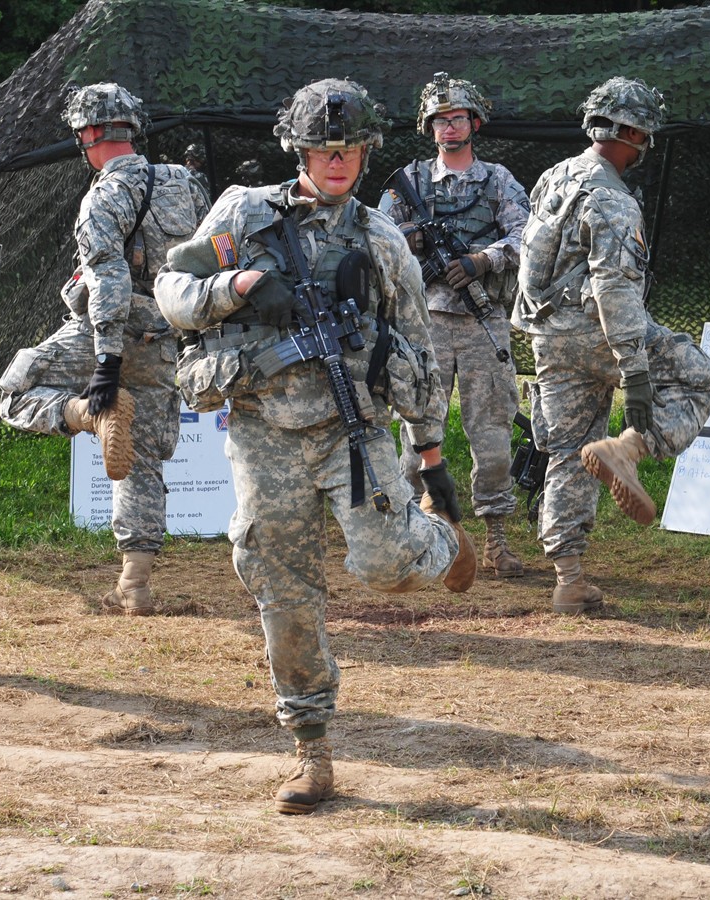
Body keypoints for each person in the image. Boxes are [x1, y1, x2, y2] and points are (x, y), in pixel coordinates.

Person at [155, 78, 477, 816]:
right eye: (325, 149)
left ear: (367, 151)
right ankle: (311, 747)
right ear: (299, 148)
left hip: (352, 429)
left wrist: (432, 465)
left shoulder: (380, 238)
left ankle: (434, 540)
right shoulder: (244, 212)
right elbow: (174, 287)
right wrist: (233, 286)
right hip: (264, 431)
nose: (338, 161)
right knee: (281, 590)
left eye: (351, 149)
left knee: (383, 561)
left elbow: (419, 358)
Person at [0, 82, 210, 616]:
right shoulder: (186, 182)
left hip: (110, 333)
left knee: (12, 392)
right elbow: (211, 259)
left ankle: (83, 416)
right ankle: (135, 584)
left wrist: (105, 362)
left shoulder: (104, 195)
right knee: (141, 459)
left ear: (89, 133)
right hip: (169, 332)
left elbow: (109, 277)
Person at [514, 77, 710, 614]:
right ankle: (629, 448)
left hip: (548, 336)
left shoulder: (556, 176)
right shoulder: (612, 198)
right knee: (701, 377)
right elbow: (613, 286)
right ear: (633, 131)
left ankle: (569, 578)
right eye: (644, 135)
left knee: (565, 450)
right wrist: (635, 371)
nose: (645, 147)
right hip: (599, 328)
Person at [379, 72, 531, 578]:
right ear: (429, 127)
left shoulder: (498, 180)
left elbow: (525, 235)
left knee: (491, 434)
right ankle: (410, 533)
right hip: (423, 323)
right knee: (418, 430)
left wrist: (482, 260)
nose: (449, 127)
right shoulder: (411, 181)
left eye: (458, 118)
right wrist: (413, 239)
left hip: (482, 319)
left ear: (475, 123)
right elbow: (377, 237)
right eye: (441, 120)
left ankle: (497, 539)